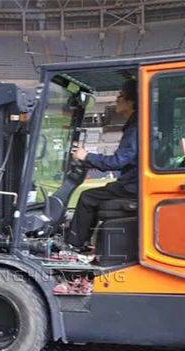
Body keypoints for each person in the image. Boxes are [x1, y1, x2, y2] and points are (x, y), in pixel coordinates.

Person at [65, 78, 138, 250]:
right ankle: (85, 242)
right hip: (133, 183)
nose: (116, 99)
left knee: (87, 197)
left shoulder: (136, 127)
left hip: (132, 187)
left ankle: (73, 245)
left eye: (120, 96)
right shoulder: (137, 124)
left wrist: (86, 156)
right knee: (98, 194)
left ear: (131, 101)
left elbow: (118, 161)